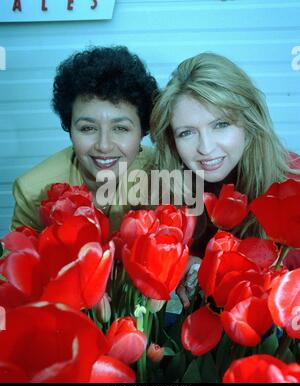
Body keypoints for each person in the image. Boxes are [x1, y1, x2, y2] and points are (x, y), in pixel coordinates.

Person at [150, 52, 300, 306]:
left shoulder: (292, 182)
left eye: (221, 125)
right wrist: (180, 263)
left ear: (249, 121)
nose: (206, 148)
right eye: (187, 132)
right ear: (172, 141)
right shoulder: (165, 182)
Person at [11, 46, 158, 233]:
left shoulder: (166, 174)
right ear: (70, 128)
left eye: (120, 128)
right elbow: (17, 258)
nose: (104, 146)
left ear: (142, 131)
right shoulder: (33, 191)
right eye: (88, 128)